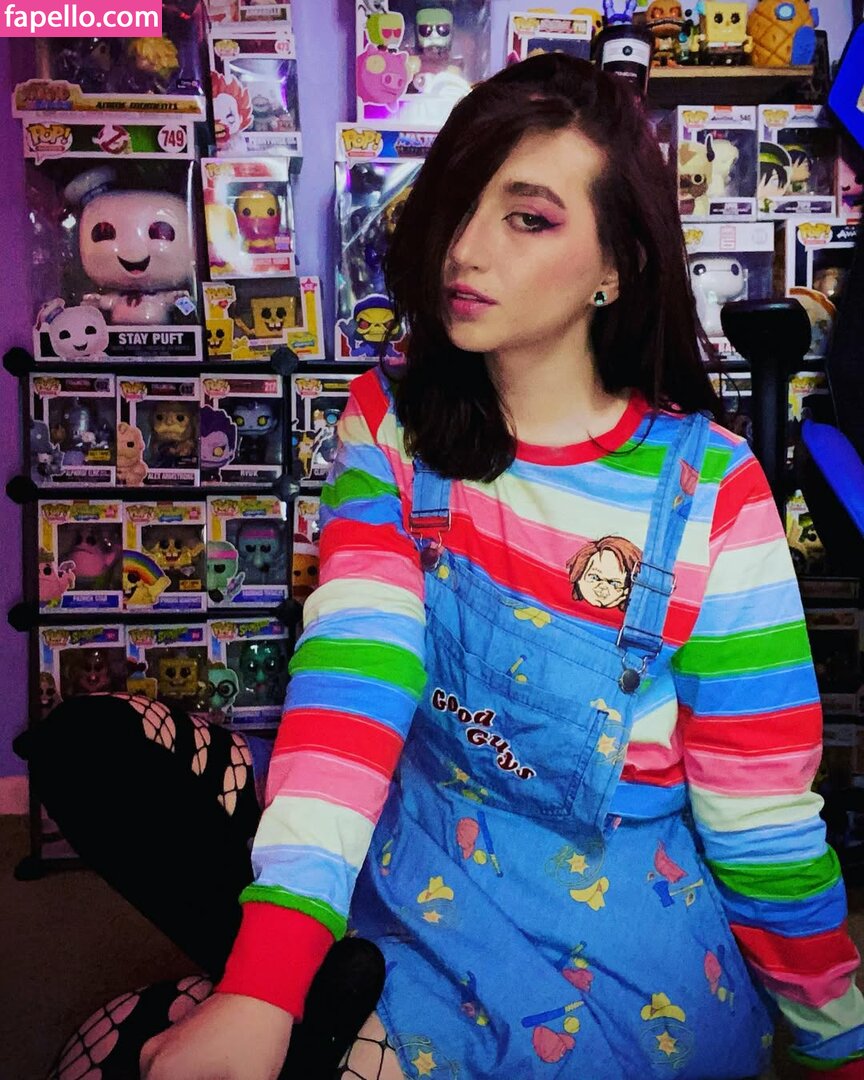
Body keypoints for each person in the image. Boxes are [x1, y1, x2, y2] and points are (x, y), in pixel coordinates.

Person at [27, 54, 864, 1080]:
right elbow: (356, 673)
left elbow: (760, 814)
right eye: (459, 204)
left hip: (592, 953)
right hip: (405, 845)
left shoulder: (710, 490)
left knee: (124, 1052)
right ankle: (302, 962)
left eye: (529, 218)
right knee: (95, 753)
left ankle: (322, 997)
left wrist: (837, 1039)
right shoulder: (391, 425)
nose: (465, 247)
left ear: (618, 265)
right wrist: (263, 982)